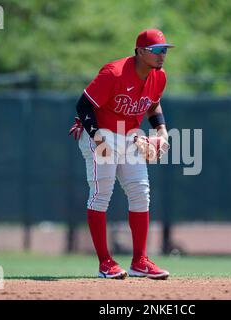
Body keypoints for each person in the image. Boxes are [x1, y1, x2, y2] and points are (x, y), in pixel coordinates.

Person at [69, 29, 173, 280]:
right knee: (101, 194)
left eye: (165, 50)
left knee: (140, 193)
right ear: (139, 51)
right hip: (101, 132)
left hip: (129, 135)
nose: (162, 55)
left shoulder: (159, 77)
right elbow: (83, 105)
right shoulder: (114, 73)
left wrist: (161, 130)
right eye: (157, 50)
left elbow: (152, 103)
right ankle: (105, 262)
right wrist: (97, 137)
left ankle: (140, 261)